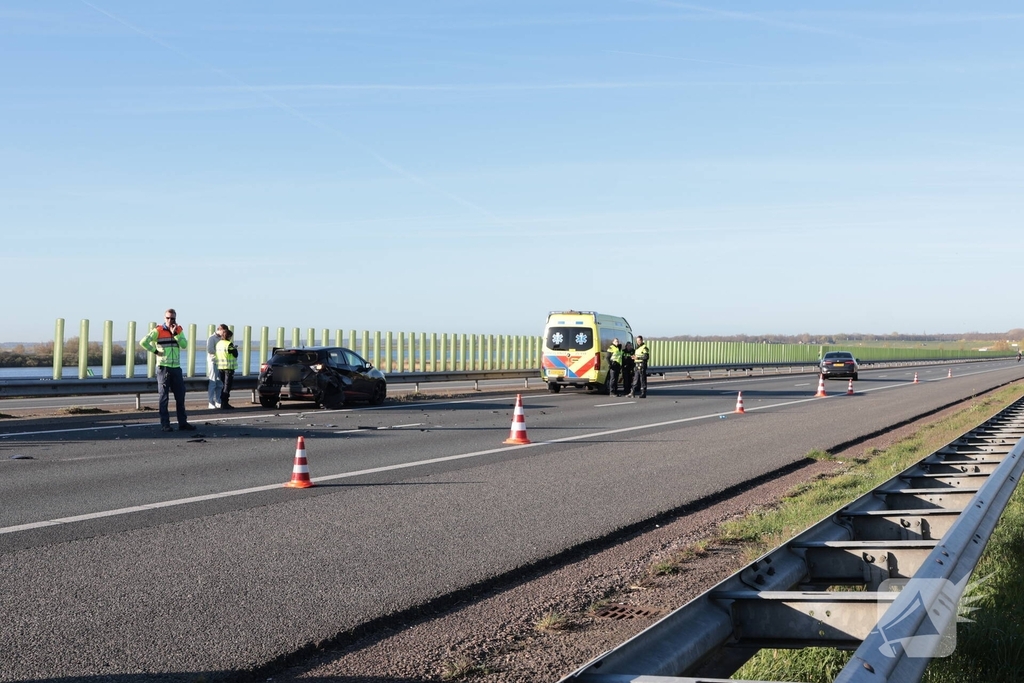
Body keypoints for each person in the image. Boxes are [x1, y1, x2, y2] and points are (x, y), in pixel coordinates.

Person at [139, 308, 195, 432]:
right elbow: (143, 342)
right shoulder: (158, 330)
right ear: (164, 318)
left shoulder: (179, 330)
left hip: (176, 368)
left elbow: (184, 345)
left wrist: (176, 335)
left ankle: (183, 423)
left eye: (172, 318)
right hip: (163, 368)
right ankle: (165, 424)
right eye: (168, 318)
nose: (170, 320)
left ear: (176, 318)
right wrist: (155, 351)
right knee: (164, 397)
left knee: (180, 397)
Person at [215, 325, 239, 409]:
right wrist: (235, 348)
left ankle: (222, 402)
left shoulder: (218, 344)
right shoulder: (229, 344)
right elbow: (235, 354)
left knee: (223, 385)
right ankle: (225, 403)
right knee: (227, 386)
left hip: (220, 367)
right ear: (229, 336)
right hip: (228, 368)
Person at [206, 325, 225, 409]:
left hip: (220, 362)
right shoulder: (211, 338)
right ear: (219, 330)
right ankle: (210, 402)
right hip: (213, 362)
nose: (224, 334)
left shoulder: (221, 338)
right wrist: (220, 353)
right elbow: (210, 350)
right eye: (223, 332)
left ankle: (218, 401)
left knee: (219, 383)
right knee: (213, 381)